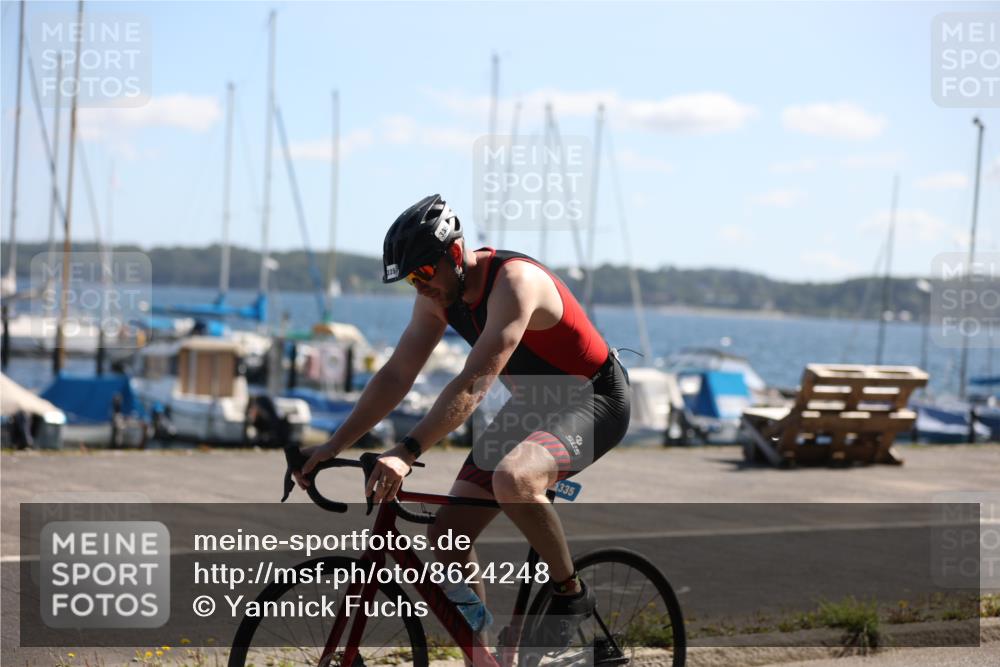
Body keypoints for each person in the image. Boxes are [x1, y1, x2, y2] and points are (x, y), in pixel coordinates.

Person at [295, 194, 631, 650]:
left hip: (596, 397)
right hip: (535, 405)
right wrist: (331, 446)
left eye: (423, 273)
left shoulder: (515, 283)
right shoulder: (437, 297)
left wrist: (407, 451)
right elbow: (397, 375)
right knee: (448, 537)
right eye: (410, 280)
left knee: (515, 480)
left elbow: (474, 384)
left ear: (454, 254)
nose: (419, 287)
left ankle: (570, 593)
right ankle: (483, 655)